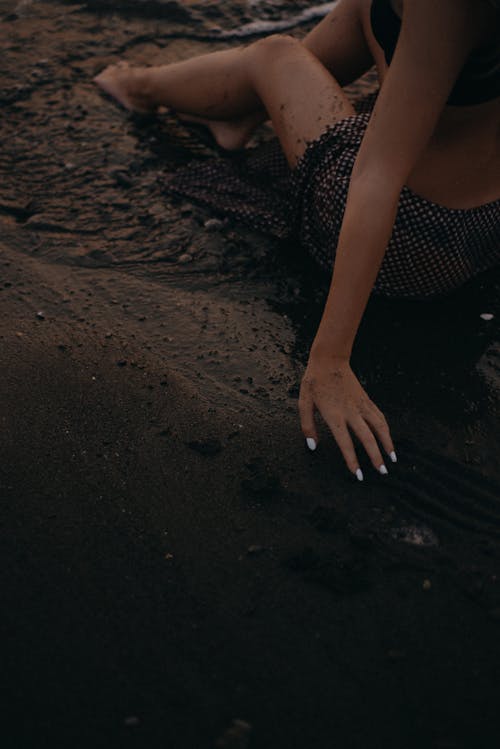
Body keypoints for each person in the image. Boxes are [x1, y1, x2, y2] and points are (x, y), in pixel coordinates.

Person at [95, 0, 500, 481]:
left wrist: (331, 359)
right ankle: (239, 114)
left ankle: (135, 86)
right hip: (480, 229)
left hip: (408, 238)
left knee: (276, 55)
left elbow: (377, 177)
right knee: (368, 8)